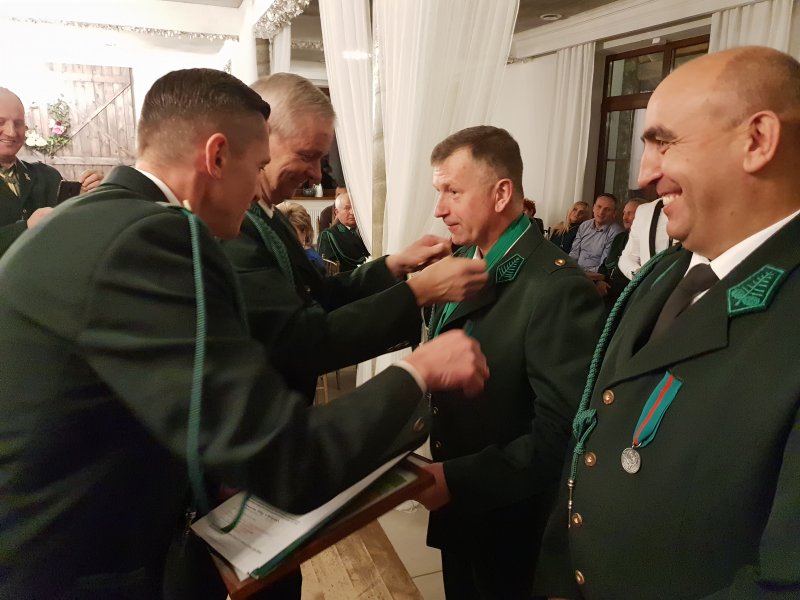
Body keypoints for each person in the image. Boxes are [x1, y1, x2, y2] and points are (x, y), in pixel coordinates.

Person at [0, 68, 490, 599]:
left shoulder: (100, 217)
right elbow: (289, 460)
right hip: (74, 566)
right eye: (257, 165)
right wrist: (416, 372)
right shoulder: (153, 239)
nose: (260, 185)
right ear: (216, 156)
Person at [534, 46, 800, 600]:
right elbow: (593, 436)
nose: (644, 173)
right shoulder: (664, 272)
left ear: (757, 140)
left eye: (664, 142)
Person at [418, 125, 605, 599]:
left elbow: (560, 434)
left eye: (453, 192)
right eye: (439, 192)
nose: (439, 208)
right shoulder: (464, 261)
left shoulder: (556, 288)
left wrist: (457, 479)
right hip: (461, 504)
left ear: (502, 193)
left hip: (510, 521)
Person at [222, 73, 487, 401]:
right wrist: (417, 293)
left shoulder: (268, 216)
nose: (317, 175)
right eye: (306, 155)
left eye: (455, 192)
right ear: (262, 139)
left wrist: (393, 265)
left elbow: (319, 295)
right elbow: (302, 339)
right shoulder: (232, 226)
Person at [0, 87, 102, 255]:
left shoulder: (48, 176)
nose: (11, 132)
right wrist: (24, 229)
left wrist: (88, 199)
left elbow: (77, 233)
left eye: (18, 124)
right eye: (0, 122)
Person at [596, 198, 643, 307]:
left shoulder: (647, 242)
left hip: (627, 298)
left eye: (630, 213)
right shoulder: (620, 237)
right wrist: (599, 281)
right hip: (606, 291)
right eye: (624, 213)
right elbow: (605, 263)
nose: (624, 217)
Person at [616, 195, 674, 280]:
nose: (625, 217)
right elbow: (628, 256)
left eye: (630, 213)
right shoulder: (644, 210)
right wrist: (639, 276)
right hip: (649, 284)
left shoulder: (694, 208)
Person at [569, 193, 623, 278]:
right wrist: (569, 269)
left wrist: (581, 274)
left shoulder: (616, 233)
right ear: (594, 208)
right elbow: (574, 254)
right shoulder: (584, 225)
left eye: (607, 209)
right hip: (576, 273)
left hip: (595, 277)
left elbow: (603, 267)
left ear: (614, 213)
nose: (601, 212)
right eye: (599, 207)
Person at [318, 191, 370, 271]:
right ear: (337, 212)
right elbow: (329, 267)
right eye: (347, 208)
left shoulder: (365, 230)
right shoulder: (329, 234)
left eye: (354, 207)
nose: (352, 212)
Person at [278, 201, 326, 274]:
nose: (285, 239)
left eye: (291, 234)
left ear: (304, 233)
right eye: (281, 233)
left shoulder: (312, 261)